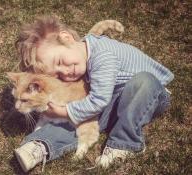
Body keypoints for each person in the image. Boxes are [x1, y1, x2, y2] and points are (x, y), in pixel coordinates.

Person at [13, 16, 174, 172]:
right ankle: (42, 143)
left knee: (142, 82)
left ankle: (124, 143)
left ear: (67, 38)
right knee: (82, 115)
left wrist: (65, 111)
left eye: (60, 62)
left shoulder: (103, 54)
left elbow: (99, 100)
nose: (66, 72)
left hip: (150, 96)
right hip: (114, 99)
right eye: (58, 74)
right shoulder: (81, 54)